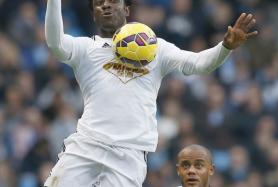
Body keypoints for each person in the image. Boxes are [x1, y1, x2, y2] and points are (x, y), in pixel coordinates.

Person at [44, 0, 257, 186]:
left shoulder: (155, 47)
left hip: (130, 153)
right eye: (99, 3)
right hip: (86, 145)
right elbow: (56, 43)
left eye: (113, 1)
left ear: (127, 10)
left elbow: (198, 64)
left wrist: (225, 47)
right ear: (93, 14)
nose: (106, 5)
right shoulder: (85, 49)